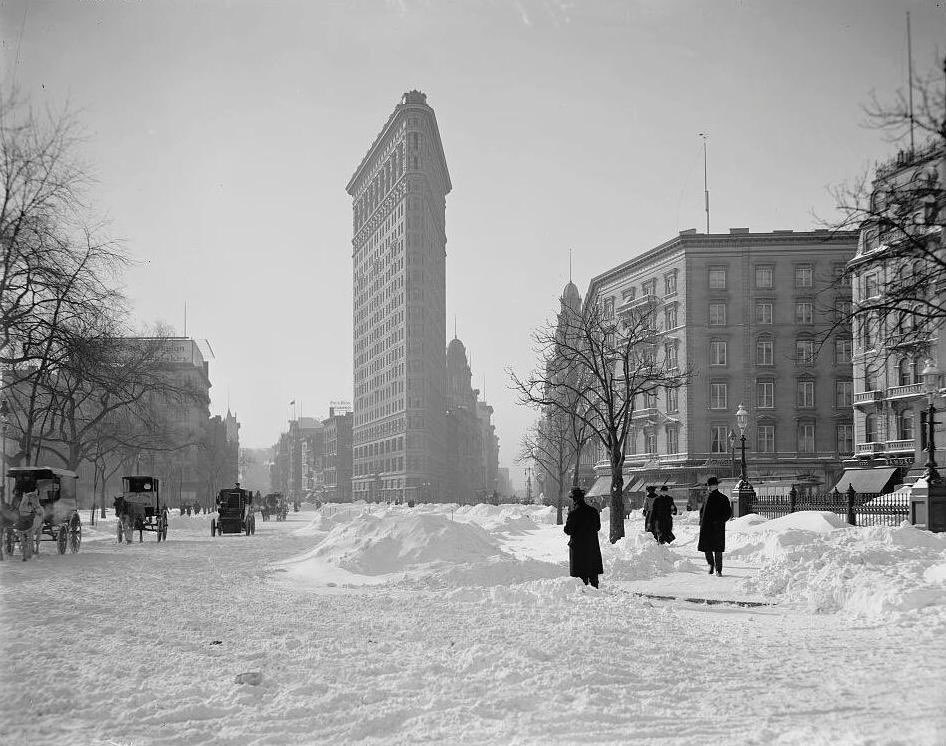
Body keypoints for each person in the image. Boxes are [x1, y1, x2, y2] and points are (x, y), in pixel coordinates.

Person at [563, 486, 604, 589]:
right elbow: (598, 527)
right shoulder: (593, 511)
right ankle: (596, 590)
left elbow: (568, 530)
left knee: (581, 576)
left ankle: (584, 593)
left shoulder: (573, 514)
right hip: (592, 545)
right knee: (593, 571)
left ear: (574, 499)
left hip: (578, 548)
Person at [698, 476, 733, 576]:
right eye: (708, 486)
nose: (709, 488)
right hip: (706, 527)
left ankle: (719, 570)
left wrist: (720, 521)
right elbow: (702, 511)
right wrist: (701, 521)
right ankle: (711, 565)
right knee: (706, 548)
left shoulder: (723, 498)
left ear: (716, 486)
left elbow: (728, 513)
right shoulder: (706, 497)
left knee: (718, 549)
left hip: (717, 528)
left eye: (711, 486)